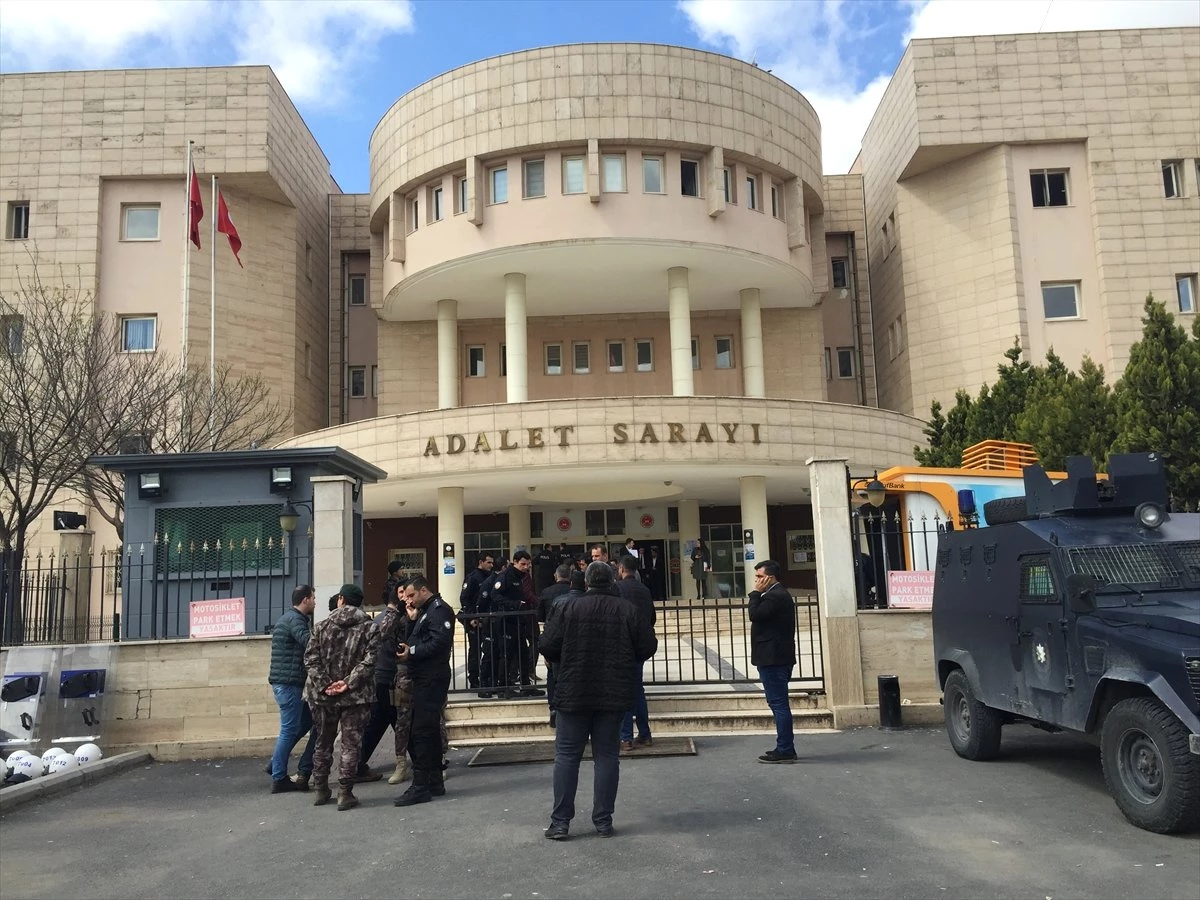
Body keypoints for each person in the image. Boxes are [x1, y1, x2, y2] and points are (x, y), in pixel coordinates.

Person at [540, 561, 658, 840]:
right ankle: (603, 820)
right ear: (612, 580)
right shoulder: (627, 609)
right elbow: (647, 645)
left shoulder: (567, 607)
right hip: (612, 692)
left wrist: (564, 659)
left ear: (585, 582)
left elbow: (547, 645)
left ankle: (560, 822)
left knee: (567, 757)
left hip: (573, 690)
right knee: (607, 756)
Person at [303, 583, 378, 810]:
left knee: (322, 742)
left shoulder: (320, 626)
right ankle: (345, 792)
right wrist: (347, 683)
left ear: (341, 600)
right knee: (350, 745)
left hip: (323, 696)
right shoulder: (370, 628)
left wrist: (326, 685)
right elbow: (369, 662)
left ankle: (321, 788)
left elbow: (311, 659)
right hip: (356, 696)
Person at [393, 575, 457, 807]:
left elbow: (439, 642)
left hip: (433, 676)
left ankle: (421, 785)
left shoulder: (438, 610)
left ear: (423, 590)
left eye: (411, 595)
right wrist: (411, 622)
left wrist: (413, 652)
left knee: (421, 730)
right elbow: (413, 640)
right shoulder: (424, 612)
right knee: (426, 729)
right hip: (423, 676)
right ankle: (433, 780)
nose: (407, 600)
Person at [267, 584, 318, 793]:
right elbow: (310, 644)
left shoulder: (288, 618)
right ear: (305, 599)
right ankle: (279, 777)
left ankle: (275, 764)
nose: (315, 601)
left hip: (286, 682)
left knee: (308, 720)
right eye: (313, 598)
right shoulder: (295, 620)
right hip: (289, 684)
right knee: (288, 731)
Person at [747, 560, 798, 764]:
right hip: (775, 656)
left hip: (774, 658)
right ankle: (784, 747)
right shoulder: (775, 595)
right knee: (777, 703)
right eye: (756, 577)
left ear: (771, 577)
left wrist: (754, 593)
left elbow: (755, 614)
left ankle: (785, 749)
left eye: (760, 577)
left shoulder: (775, 596)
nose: (757, 581)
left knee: (778, 704)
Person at [357, 578, 406, 785]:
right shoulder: (393, 620)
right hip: (387, 678)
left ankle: (357, 764)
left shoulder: (378, 619)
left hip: (381, 678)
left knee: (381, 722)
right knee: (398, 722)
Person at [615, 555, 655, 751]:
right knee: (638, 689)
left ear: (621, 569)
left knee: (623, 691)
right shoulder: (645, 590)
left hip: (621, 646)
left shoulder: (617, 589)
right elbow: (652, 617)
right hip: (640, 646)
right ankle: (645, 733)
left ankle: (625, 737)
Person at [539, 563, 575, 727]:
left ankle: (554, 707)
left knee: (552, 674)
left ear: (556, 575)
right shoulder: (575, 594)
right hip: (572, 639)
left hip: (553, 638)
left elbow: (540, 616)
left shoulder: (547, 593)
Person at [458, 553, 494, 692]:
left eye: (492, 563)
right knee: (475, 651)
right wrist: (471, 618)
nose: (491, 565)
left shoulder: (490, 578)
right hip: (475, 620)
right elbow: (465, 599)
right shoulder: (473, 577)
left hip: (487, 619)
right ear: (481, 562)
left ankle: (488, 677)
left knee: (489, 649)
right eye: (489, 562)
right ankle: (474, 679)